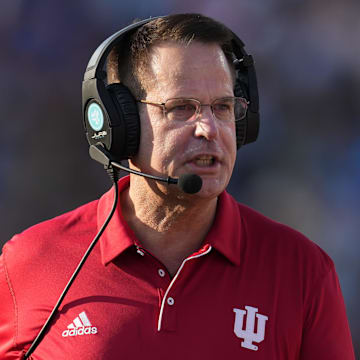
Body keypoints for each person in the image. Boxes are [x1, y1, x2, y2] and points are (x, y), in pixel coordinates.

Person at [0, 13, 355, 360]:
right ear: (118, 124)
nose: (209, 129)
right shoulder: (29, 263)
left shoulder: (303, 271)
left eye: (223, 107)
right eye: (182, 108)